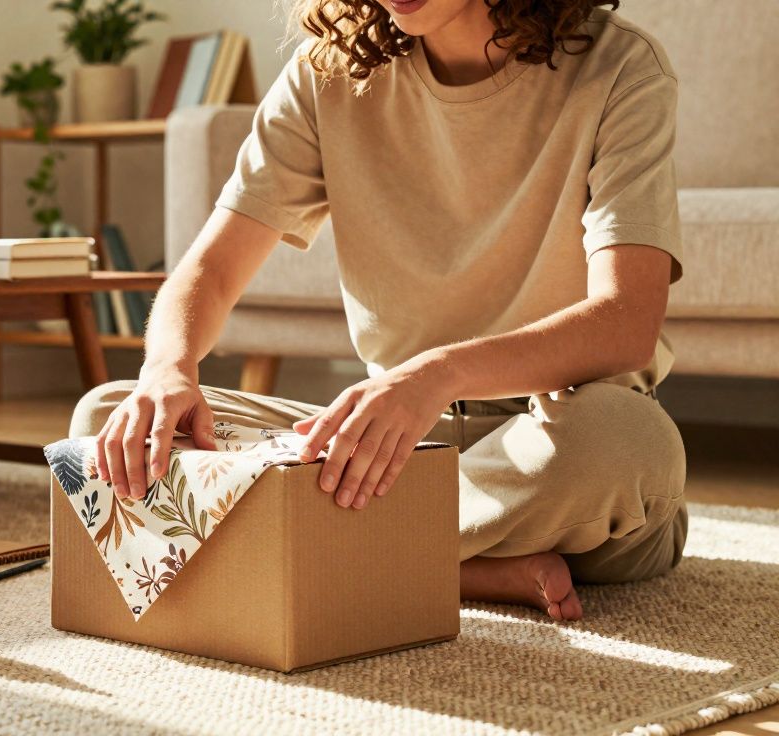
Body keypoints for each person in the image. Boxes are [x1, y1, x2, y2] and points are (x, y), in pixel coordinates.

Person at [72, 0, 688, 621]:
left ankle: (305, 547)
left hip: (554, 438)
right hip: (388, 450)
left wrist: (436, 374)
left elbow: (626, 320)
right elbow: (213, 267)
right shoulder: (329, 70)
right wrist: (166, 368)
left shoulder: (620, 66)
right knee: (109, 423)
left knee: (627, 443)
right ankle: (456, 569)